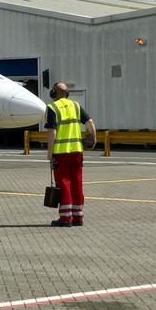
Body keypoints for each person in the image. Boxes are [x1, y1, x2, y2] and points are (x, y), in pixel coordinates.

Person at [46, 82, 96, 227]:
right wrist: (94, 139)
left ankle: (66, 218)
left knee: (63, 183)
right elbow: (90, 122)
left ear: (53, 93)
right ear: (67, 93)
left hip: (61, 153)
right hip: (77, 152)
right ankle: (78, 216)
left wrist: (50, 153)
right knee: (76, 182)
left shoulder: (52, 108)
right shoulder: (75, 106)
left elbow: (52, 132)